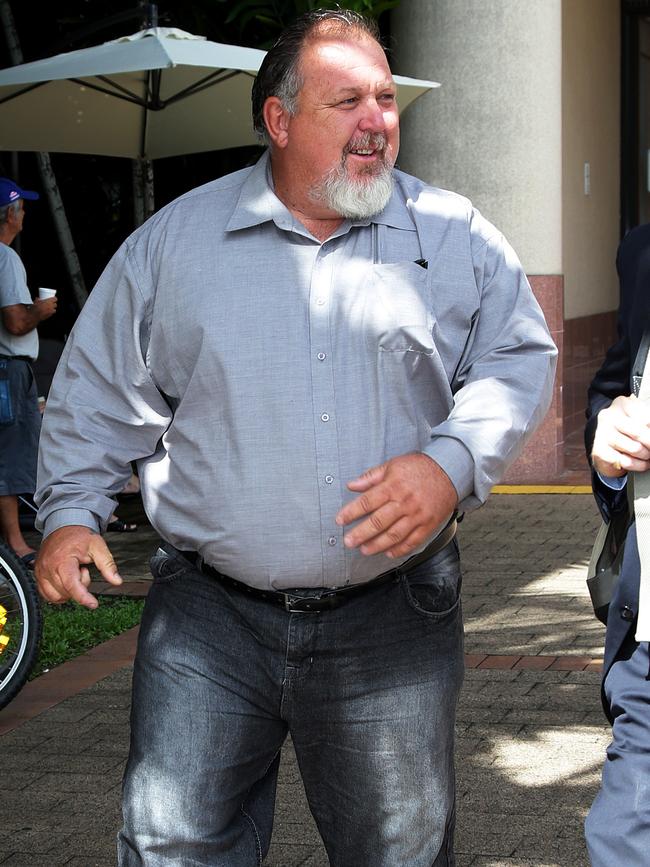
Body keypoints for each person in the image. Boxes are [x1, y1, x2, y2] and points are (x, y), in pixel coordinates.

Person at [34, 10, 557, 866]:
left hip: (393, 615)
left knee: (399, 852)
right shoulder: (172, 247)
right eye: (346, 100)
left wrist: (450, 462)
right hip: (208, 621)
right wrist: (68, 513)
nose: (376, 121)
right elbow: (98, 390)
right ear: (279, 121)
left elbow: (517, 356)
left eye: (385, 99)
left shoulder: (454, 235)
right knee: (174, 845)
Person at [585, 222, 650, 866]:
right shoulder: (642, 252)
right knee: (623, 839)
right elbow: (612, 384)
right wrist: (608, 454)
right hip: (649, 645)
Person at [0, 177, 57, 567]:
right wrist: (42, 310)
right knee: (10, 454)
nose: (25, 214)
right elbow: (16, 323)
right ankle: (17, 545)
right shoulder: (5, 258)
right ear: (9, 213)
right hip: (8, 369)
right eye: (22, 207)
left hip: (7, 369)